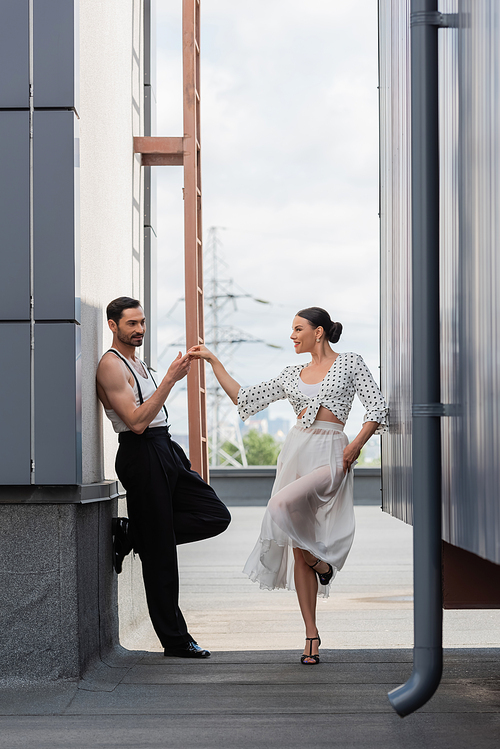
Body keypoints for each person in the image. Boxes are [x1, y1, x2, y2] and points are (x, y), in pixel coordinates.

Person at [189, 306, 388, 665]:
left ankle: (321, 562)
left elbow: (377, 408)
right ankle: (311, 634)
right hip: (295, 454)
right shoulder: (291, 373)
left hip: (332, 454)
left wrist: (354, 446)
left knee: (279, 506)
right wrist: (213, 362)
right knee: (298, 547)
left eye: (298, 329)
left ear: (319, 332)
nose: (292, 336)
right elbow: (244, 397)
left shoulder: (350, 362)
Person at [96, 296, 231, 659]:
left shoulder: (138, 363)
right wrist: (170, 379)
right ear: (113, 325)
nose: (139, 329)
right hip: (142, 452)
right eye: (131, 324)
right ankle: (175, 640)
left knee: (216, 515)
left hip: (165, 447)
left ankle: (133, 533)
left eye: (142, 322)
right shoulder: (111, 366)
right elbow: (137, 423)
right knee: (161, 556)